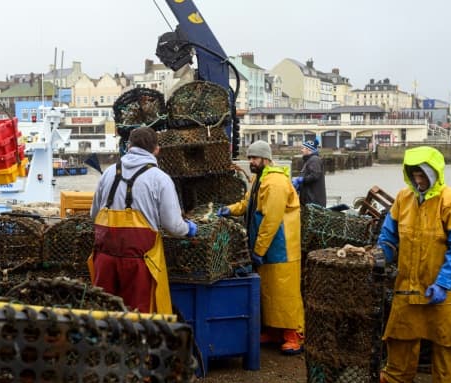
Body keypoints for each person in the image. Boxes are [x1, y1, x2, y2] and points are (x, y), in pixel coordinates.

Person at [376, 146, 451, 383]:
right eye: (414, 175)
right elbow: (388, 236)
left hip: (443, 286)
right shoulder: (402, 199)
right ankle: (397, 376)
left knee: (446, 339)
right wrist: (379, 255)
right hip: (408, 282)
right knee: (400, 331)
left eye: (422, 175)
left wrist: (443, 283)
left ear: (434, 173)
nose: (418, 181)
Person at [89, 126, 197, 314]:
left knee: (103, 315)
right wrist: (188, 229)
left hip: (104, 262)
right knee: (139, 321)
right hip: (139, 265)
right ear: (157, 150)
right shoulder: (159, 179)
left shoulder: (108, 173)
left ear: (128, 146)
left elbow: (94, 215)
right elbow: (173, 226)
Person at [216, 140, 304, 355]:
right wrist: (228, 210)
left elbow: (271, 220)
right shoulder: (259, 179)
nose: (251, 162)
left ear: (265, 158)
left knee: (285, 293)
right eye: (249, 158)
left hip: (281, 247)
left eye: (254, 158)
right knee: (268, 292)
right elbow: (248, 204)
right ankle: (275, 332)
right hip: (267, 247)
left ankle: (295, 335)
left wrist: (259, 250)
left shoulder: (275, 183)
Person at [292, 139, 326, 207]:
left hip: (313, 201)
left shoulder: (314, 160)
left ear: (308, 149)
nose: (301, 150)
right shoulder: (308, 160)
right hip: (308, 200)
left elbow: (315, 175)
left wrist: (301, 180)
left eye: (303, 148)